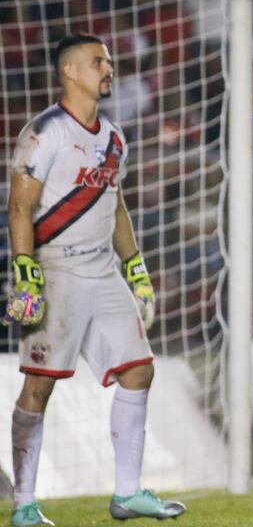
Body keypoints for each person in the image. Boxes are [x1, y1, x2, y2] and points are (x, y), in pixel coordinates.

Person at [5, 34, 186, 526]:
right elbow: (19, 206)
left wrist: (136, 269)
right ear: (70, 72)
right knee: (39, 387)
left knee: (139, 370)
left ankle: (127, 495)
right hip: (57, 271)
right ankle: (23, 504)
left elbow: (115, 204)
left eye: (108, 60)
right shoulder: (45, 132)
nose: (108, 68)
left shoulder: (114, 137)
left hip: (104, 270)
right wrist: (25, 273)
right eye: (97, 61)